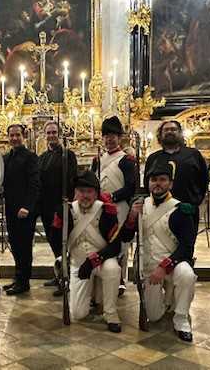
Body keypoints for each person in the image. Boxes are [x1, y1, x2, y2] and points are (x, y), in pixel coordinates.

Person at [122, 161, 198, 342]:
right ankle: (168, 299)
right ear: (148, 183)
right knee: (154, 316)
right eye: (153, 179)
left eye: (163, 180)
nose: (157, 183)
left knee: (187, 275)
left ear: (170, 184)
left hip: (173, 263)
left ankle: (181, 319)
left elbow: (187, 247)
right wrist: (132, 216)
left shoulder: (181, 209)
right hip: (148, 266)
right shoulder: (139, 205)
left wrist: (164, 267)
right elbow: (125, 237)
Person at [53, 171, 122, 332]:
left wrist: (94, 261)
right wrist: (61, 257)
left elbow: (115, 246)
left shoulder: (107, 211)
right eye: (81, 191)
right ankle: (93, 294)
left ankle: (111, 313)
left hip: (101, 260)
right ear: (75, 192)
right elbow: (56, 239)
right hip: (78, 263)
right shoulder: (67, 210)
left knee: (112, 269)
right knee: (78, 314)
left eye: (89, 191)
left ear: (96, 193)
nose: (85, 195)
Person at [92, 116, 136, 295]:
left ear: (119, 138)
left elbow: (131, 187)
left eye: (113, 136)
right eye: (106, 136)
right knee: (102, 241)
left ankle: (120, 279)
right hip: (101, 208)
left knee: (120, 243)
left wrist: (112, 196)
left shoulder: (126, 160)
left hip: (120, 208)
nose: (109, 139)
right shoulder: (98, 160)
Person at [143, 120, 209, 230]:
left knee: (187, 240)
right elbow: (147, 183)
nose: (169, 132)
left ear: (180, 133)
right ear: (160, 134)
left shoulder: (193, 155)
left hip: (187, 209)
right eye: (166, 130)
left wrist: (195, 201)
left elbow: (204, 180)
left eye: (173, 129)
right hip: (159, 211)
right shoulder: (153, 158)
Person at [38, 121, 77, 296]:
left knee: (63, 242)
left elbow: (72, 179)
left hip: (61, 206)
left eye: (54, 132)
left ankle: (66, 277)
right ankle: (59, 272)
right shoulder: (42, 157)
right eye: (49, 133)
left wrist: (68, 201)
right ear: (45, 135)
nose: (51, 135)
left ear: (60, 134)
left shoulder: (68, 155)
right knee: (53, 242)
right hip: (46, 207)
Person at [3, 124, 41, 295]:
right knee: (15, 244)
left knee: (24, 246)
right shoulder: (6, 157)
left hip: (24, 210)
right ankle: (18, 277)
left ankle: (24, 281)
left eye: (17, 135)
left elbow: (35, 184)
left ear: (23, 136)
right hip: (11, 208)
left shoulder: (31, 157)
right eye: (11, 135)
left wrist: (27, 206)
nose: (14, 138)